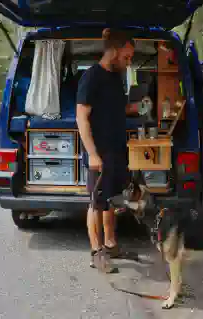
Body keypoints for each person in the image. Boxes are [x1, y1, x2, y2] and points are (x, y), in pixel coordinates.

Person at [76, 28, 142, 273]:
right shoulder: (91, 77)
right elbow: (81, 117)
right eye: (126, 57)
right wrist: (92, 154)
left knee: (112, 200)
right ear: (113, 52)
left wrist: (135, 107)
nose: (129, 61)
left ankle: (112, 244)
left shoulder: (116, 77)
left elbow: (116, 109)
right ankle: (97, 253)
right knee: (96, 202)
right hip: (99, 154)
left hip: (117, 150)